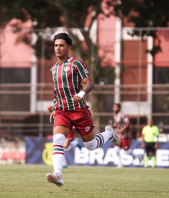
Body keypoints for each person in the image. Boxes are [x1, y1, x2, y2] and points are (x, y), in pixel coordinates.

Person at [46, 33, 119, 187]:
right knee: (58, 141)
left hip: (78, 110)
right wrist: (54, 106)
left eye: (61, 45)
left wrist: (81, 93)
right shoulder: (53, 69)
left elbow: (90, 83)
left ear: (68, 47)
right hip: (62, 111)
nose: (58, 48)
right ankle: (57, 175)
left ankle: (109, 133)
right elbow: (56, 90)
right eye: (56, 45)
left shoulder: (76, 64)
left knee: (91, 145)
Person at [111, 103, 142, 168]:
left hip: (125, 136)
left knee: (126, 152)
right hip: (119, 136)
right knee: (116, 150)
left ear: (119, 108)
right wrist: (113, 126)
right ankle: (120, 164)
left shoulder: (121, 115)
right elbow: (118, 125)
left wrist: (122, 130)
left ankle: (137, 155)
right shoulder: (115, 116)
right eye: (114, 107)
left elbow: (128, 123)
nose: (114, 108)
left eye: (116, 107)